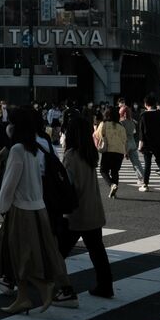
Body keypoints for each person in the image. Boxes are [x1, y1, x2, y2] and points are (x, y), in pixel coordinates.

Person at [0, 106, 65, 314]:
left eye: (10, 122)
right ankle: (23, 298)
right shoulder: (33, 148)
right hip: (38, 208)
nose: (8, 126)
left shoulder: (18, 150)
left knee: (18, 255)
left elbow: (9, 184)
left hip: (21, 211)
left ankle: (41, 286)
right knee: (22, 255)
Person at [59, 115, 114, 298]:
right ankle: (105, 286)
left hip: (76, 212)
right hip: (93, 209)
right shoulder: (90, 153)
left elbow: (68, 185)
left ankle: (55, 286)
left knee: (58, 253)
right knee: (97, 251)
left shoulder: (70, 156)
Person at [94, 107, 127, 198]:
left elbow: (97, 135)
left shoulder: (104, 124)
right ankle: (114, 192)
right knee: (115, 171)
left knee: (103, 170)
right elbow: (124, 139)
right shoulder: (121, 126)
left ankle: (112, 185)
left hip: (108, 151)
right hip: (119, 151)